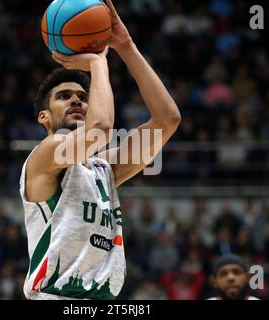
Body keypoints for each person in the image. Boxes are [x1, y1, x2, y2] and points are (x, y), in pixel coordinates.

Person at [19, 0, 181, 300]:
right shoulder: (46, 153)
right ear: (44, 117)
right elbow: (101, 129)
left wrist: (126, 46)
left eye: (83, 96)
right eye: (64, 96)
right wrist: (97, 63)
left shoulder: (102, 169)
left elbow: (167, 120)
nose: (77, 101)